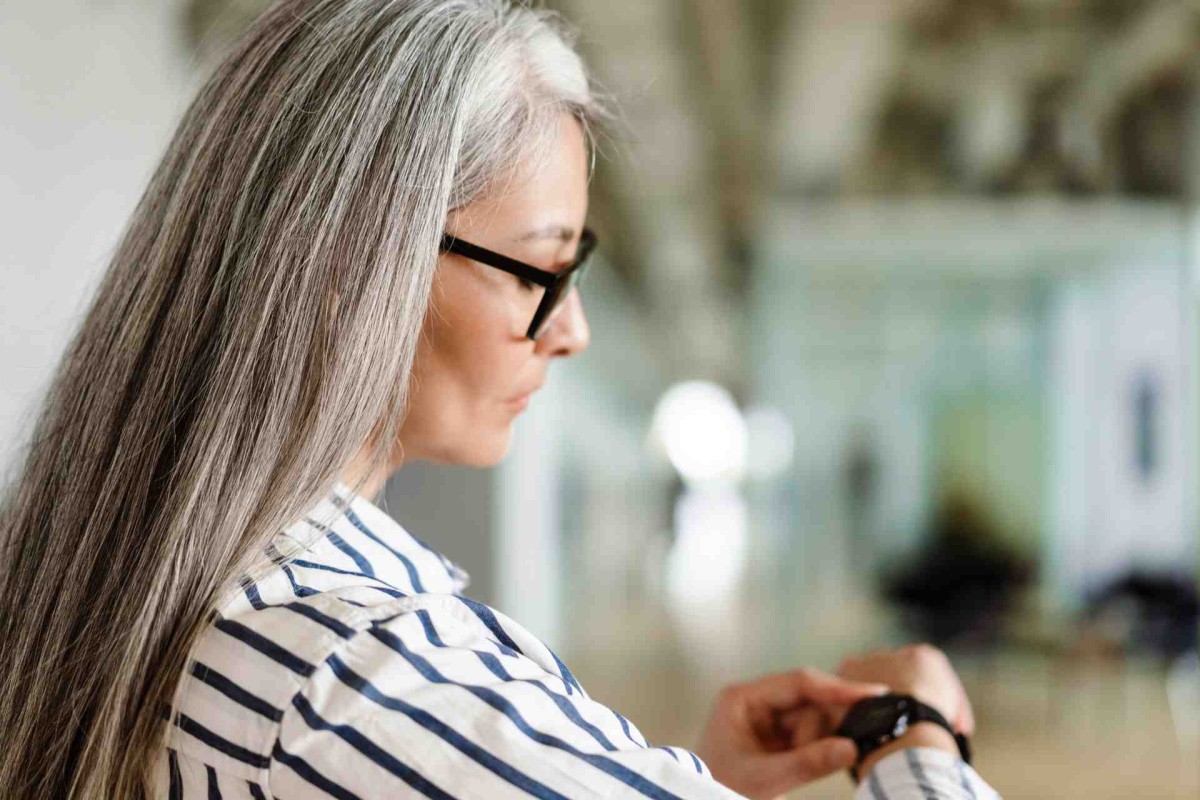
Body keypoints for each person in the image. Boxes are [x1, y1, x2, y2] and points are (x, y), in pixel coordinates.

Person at [0, 1, 1001, 798]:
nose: (572, 330)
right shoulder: (356, 668)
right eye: (537, 272)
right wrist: (913, 737)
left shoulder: (145, 591)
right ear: (354, 263)